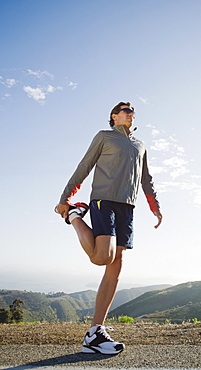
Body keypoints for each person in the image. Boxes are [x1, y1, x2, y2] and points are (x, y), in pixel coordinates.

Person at [55, 101, 162, 355]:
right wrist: (64, 200)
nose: (131, 113)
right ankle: (74, 216)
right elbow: (84, 166)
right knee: (103, 257)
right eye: (126, 109)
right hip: (104, 201)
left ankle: (95, 333)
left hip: (128, 207)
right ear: (114, 116)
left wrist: (154, 205)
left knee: (116, 265)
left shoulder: (140, 145)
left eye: (133, 111)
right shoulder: (104, 137)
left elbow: (146, 178)